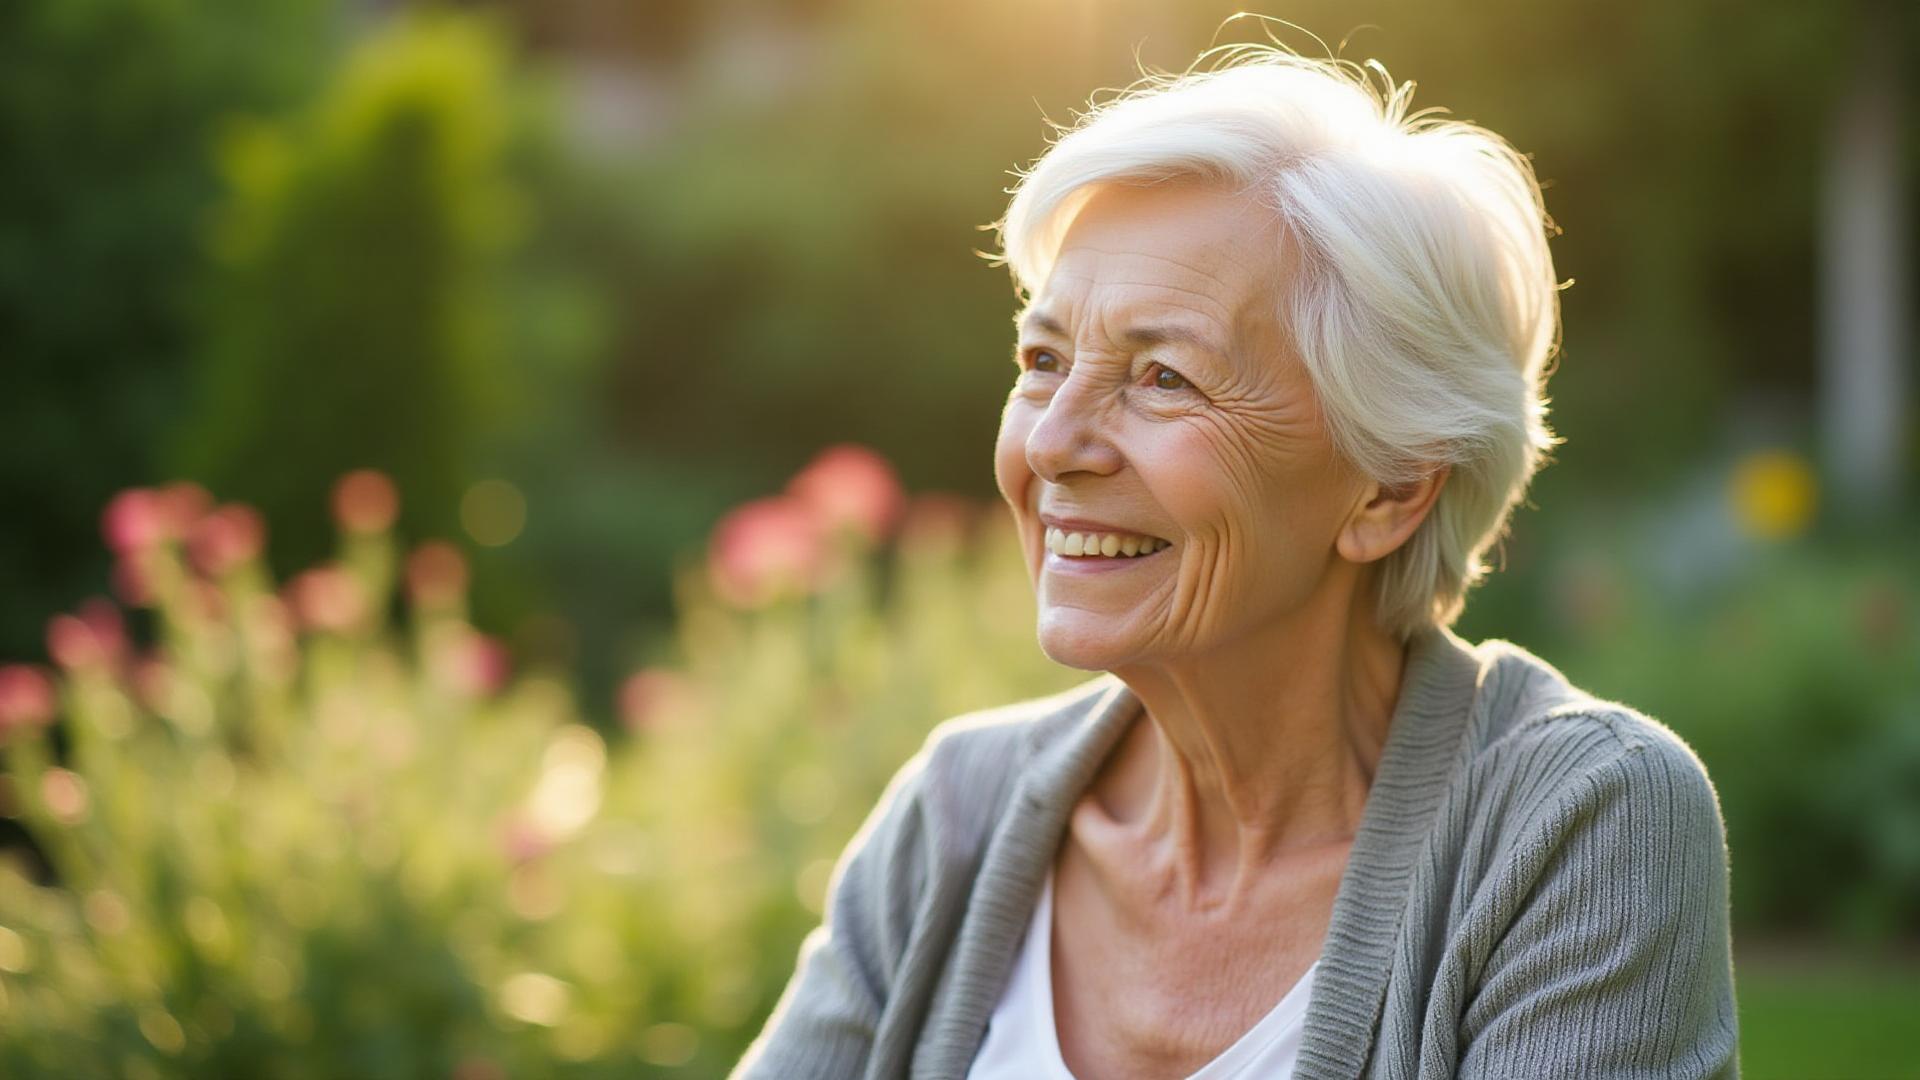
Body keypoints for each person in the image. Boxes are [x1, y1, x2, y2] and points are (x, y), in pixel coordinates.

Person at [732, 44, 1738, 1080]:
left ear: (1390, 489)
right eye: (1043, 361)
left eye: (1164, 377)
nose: (1051, 443)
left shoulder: (1578, 826)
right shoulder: (955, 814)